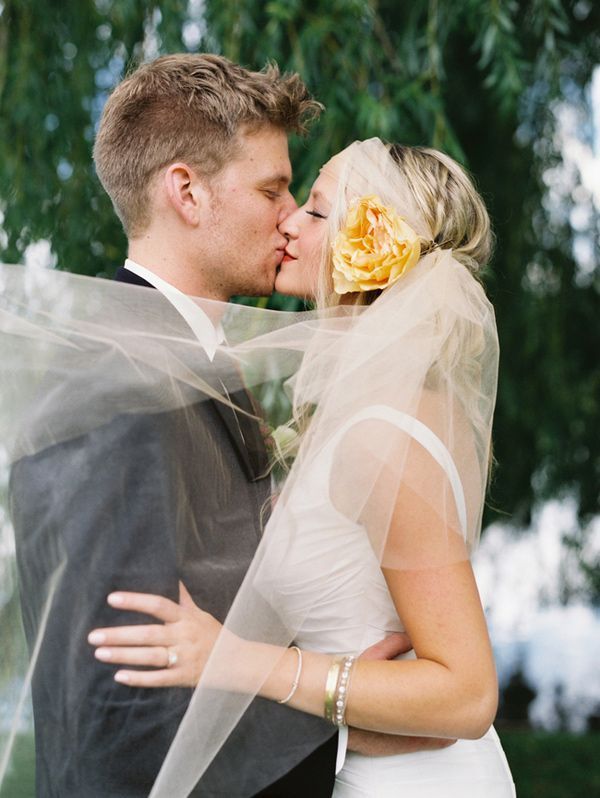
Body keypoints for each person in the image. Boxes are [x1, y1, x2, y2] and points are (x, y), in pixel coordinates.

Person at [4, 55, 448, 798]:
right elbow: (124, 712)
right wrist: (347, 727)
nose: (292, 218)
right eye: (272, 190)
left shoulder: (202, 371)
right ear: (186, 191)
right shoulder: (119, 394)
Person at [89, 138, 516, 797]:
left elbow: (466, 693)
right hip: (361, 767)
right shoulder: (368, 408)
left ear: (372, 248)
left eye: (315, 210)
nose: (288, 220)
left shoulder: (386, 429)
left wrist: (233, 660)